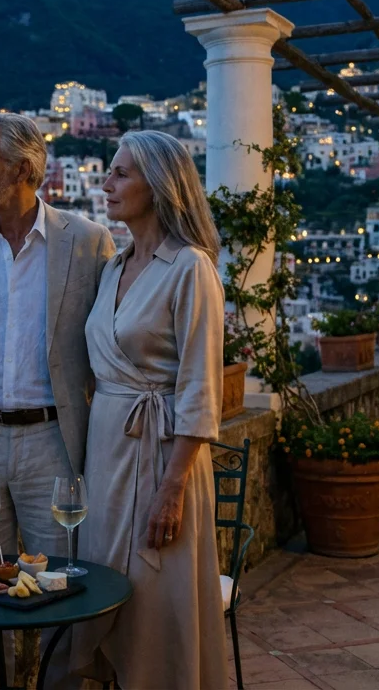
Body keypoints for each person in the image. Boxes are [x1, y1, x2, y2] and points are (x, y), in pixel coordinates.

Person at [0, 112, 115, 687]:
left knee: (60, 594)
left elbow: (106, 348)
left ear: (26, 169)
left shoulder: (86, 243)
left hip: (54, 446)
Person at [71, 130, 228, 689]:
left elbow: (200, 385)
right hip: (108, 453)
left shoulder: (191, 268)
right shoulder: (113, 268)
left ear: (158, 186)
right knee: (109, 591)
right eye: (110, 172)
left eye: (121, 174)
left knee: (158, 606)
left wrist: (173, 486)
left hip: (164, 456)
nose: (107, 184)